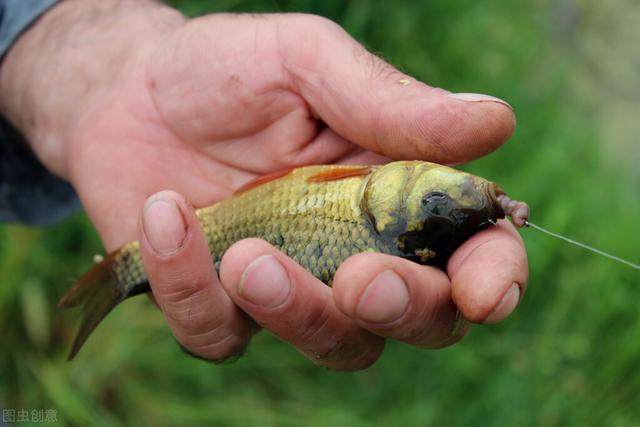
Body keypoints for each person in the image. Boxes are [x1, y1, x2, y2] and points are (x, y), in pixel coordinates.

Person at [0, 0, 527, 370]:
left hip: (234, 226)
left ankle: (126, 273)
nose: (459, 188)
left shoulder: (372, 196)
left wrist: (79, 78)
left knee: (319, 290)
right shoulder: (370, 185)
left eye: (438, 199)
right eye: (442, 195)